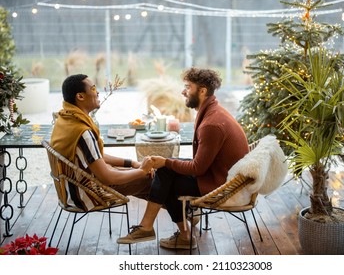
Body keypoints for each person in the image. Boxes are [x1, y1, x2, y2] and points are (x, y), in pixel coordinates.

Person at [117, 67, 249, 250]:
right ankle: (161, 230)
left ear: (202, 91)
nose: (183, 91)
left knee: (166, 178)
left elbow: (197, 169)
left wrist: (166, 162)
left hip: (223, 185)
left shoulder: (211, 124)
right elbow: (200, 164)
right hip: (220, 176)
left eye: (188, 86)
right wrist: (166, 163)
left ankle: (165, 232)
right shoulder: (212, 112)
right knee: (166, 171)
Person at [51, 74, 153, 209]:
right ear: (80, 96)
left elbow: (94, 156)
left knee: (152, 182)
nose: (98, 92)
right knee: (156, 179)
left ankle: (150, 226)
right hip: (87, 194)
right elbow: (108, 178)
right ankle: (183, 215)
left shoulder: (65, 120)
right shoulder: (82, 131)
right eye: (93, 89)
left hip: (72, 189)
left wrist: (133, 163)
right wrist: (142, 171)